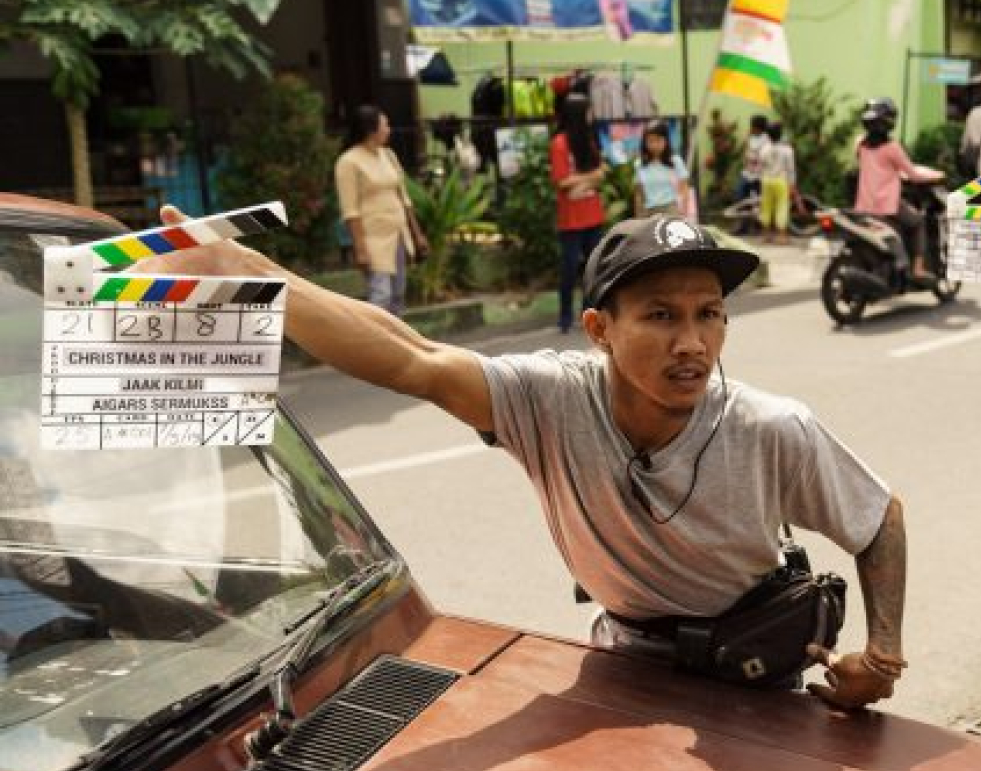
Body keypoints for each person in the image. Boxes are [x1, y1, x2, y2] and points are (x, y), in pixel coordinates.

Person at [138, 211, 909, 711]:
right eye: (662, 316)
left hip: (757, 676)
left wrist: (880, 655)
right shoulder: (549, 399)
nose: (693, 344)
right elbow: (411, 358)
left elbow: (881, 520)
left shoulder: (773, 427)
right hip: (623, 665)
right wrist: (247, 273)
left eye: (710, 314)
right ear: (600, 329)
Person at [334, 105, 429, 316]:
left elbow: (403, 197)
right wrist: (359, 248)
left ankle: (397, 343)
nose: (389, 130)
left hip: (398, 234)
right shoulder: (348, 162)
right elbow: (350, 210)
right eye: (385, 125)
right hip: (372, 238)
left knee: (398, 293)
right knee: (381, 294)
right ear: (371, 130)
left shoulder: (389, 156)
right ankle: (372, 343)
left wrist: (417, 233)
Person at [853, 97, 941, 283]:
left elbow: (876, 167)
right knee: (918, 222)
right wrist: (937, 176)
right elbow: (914, 175)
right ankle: (917, 269)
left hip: (863, 206)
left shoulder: (860, 144)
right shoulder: (892, 148)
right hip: (886, 206)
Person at [550, 92, 608, 333]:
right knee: (569, 268)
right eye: (587, 111)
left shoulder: (589, 140)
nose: (590, 116)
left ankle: (588, 315)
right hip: (571, 219)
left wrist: (581, 183)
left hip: (593, 215)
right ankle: (565, 318)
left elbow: (602, 173)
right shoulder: (560, 143)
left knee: (592, 268)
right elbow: (562, 182)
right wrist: (589, 179)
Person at [633, 120, 690, 219]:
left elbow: (684, 189)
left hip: (670, 209)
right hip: (648, 212)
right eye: (650, 141)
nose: (654, 145)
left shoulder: (675, 161)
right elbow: (639, 194)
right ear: (645, 142)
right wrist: (639, 218)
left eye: (658, 140)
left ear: (666, 140)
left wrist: (684, 214)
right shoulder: (639, 164)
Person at [758, 122, 797, 244]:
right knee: (782, 206)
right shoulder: (787, 149)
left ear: (768, 136)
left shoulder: (764, 149)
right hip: (781, 180)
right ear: (780, 135)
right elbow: (791, 169)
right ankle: (781, 237)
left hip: (766, 180)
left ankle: (766, 235)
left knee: (766, 206)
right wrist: (792, 184)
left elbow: (761, 166)